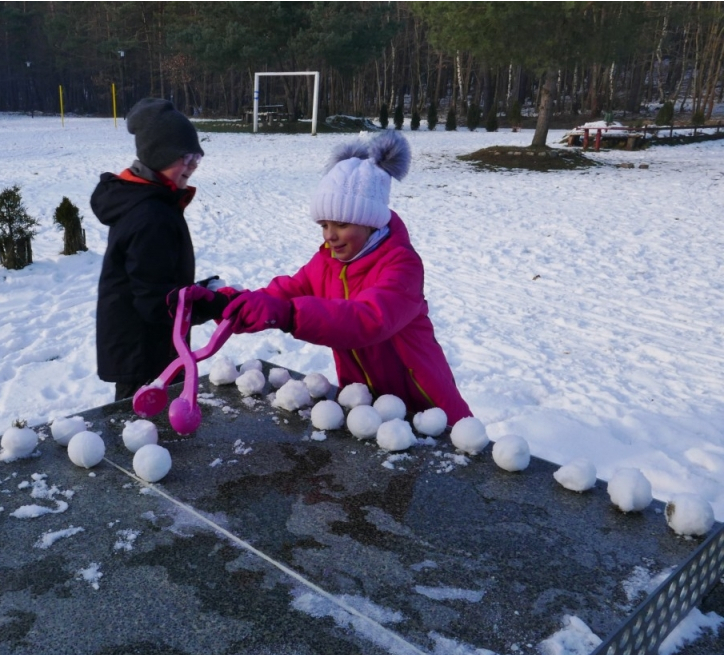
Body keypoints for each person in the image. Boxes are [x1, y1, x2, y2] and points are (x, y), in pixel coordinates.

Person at [222, 131, 472, 424]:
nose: (330, 235)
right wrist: (227, 303)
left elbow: (369, 319)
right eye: (324, 224)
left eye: (341, 224)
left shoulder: (402, 265)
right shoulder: (327, 260)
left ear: (370, 222)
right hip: (366, 403)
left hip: (426, 405)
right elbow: (288, 290)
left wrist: (289, 316)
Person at [91, 98, 229, 401]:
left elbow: (156, 279)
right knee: (142, 435)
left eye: (197, 157)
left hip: (150, 347)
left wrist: (203, 291)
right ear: (159, 156)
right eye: (186, 157)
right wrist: (213, 304)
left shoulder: (152, 201)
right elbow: (156, 302)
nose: (193, 166)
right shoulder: (150, 215)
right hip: (145, 355)